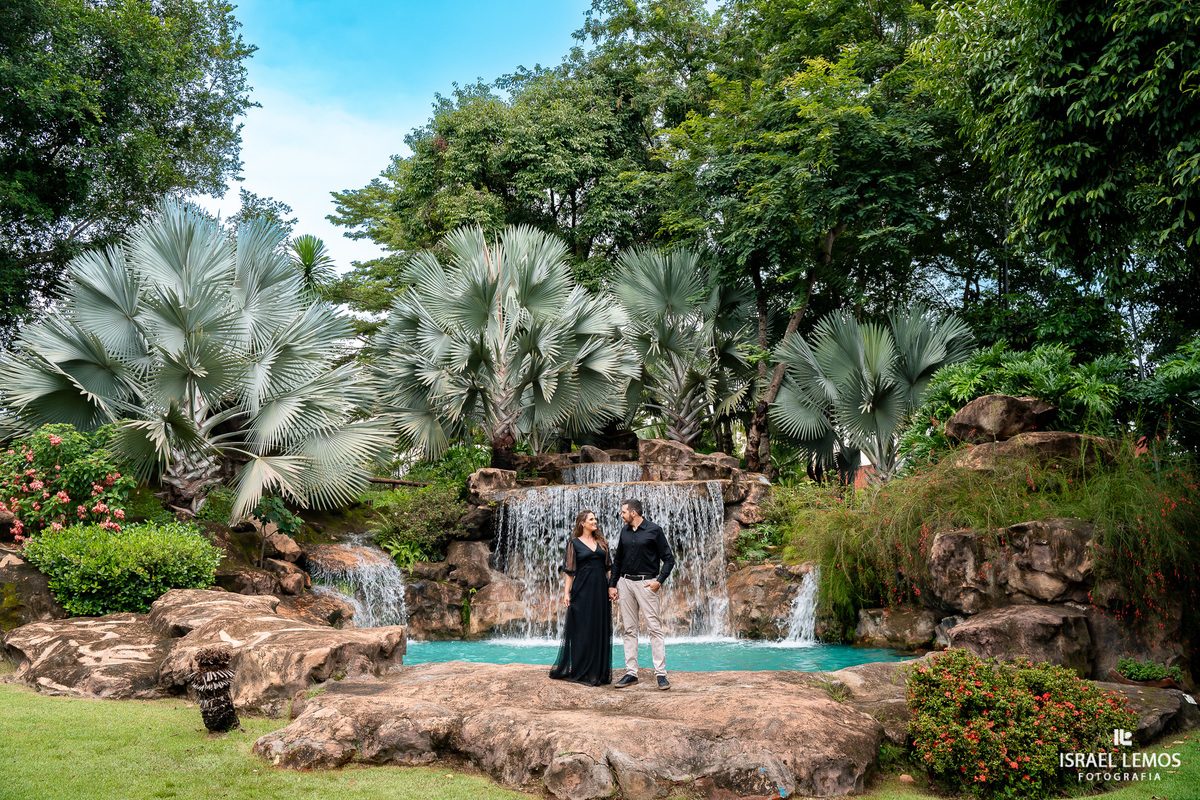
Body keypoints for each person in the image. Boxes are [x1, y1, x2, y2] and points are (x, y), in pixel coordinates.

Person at [608, 498, 676, 690]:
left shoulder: (654, 530)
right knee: (629, 629)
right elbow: (618, 560)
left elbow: (669, 559)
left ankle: (661, 674)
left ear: (633, 513)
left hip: (647, 583)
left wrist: (659, 581)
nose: (621, 515)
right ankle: (631, 673)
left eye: (623, 512)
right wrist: (613, 585)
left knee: (654, 628)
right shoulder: (624, 531)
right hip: (625, 583)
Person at [549, 509, 613, 686]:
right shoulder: (573, 544)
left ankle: (597, 671)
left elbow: (609, 568)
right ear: (582, 523)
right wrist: (566, 593)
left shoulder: (602, 542)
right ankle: (581, 669)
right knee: (581, 628)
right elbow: (569, 572)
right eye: (591, 519)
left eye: (595, 518)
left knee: (598, 628)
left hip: (600, 590)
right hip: (582, 590)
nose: (595, 521)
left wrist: (612, 587)